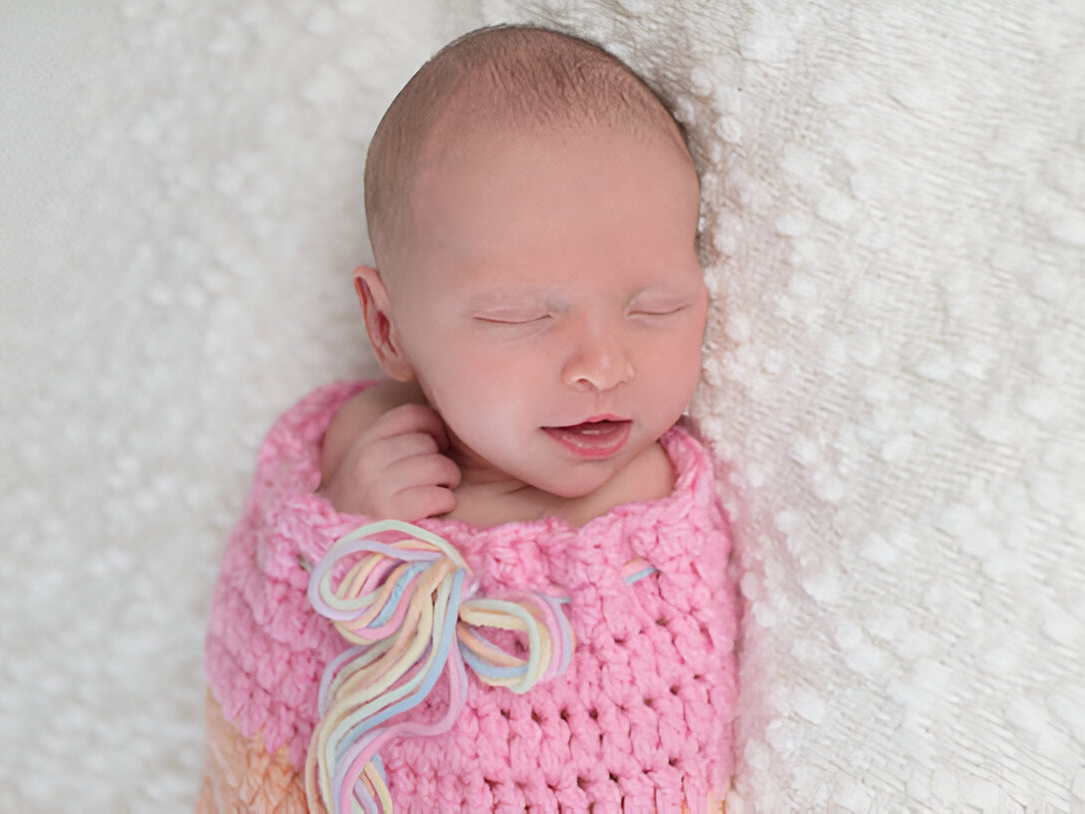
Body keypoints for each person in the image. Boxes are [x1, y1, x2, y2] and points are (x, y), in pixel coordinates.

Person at [199, 24, 737, 813]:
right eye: (522, 317)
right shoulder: (360, 444)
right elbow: (284, 630)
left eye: (655, 308)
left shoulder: (649, 505)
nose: (602, 364)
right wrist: (349, 529)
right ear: (388, 329)